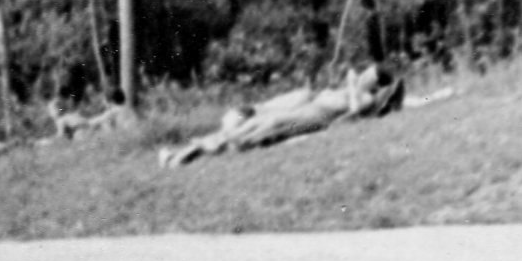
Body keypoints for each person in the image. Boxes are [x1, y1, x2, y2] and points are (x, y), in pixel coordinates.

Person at [160, 63, 401, 168]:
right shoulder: (349, 89)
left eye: (368, 73)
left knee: (250, 132)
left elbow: (356, 111)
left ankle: (184, 156)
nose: (363, 73)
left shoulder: (365, 96)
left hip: (308, 119)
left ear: (375, 81)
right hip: (298, 111)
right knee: (247, 127)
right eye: (365, 71)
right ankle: (181, 155)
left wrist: (351, 85)